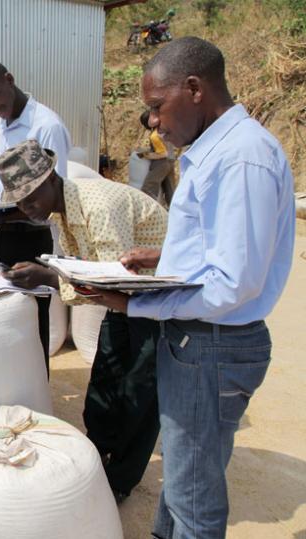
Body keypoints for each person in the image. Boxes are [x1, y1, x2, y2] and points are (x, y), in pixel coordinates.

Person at [89, 37, 295, 538]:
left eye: (157, 107)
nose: (154, 123)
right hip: (200, 343)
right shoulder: (217, 150)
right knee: (183, 487)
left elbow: (234, 283)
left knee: (194, 500)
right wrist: (164, 256)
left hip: (212, 344)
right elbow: (225, 247)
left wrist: (137, 304)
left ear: (196, 88)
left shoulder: (241, 158)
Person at [0, 139, 168, 503]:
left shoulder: (98, 205)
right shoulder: (64, 210)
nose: (28, 209)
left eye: (31, 199)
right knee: (106, 375)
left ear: (51, 179)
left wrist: (47, 279)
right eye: (21, 203)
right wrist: (52, 275)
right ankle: (97, 454)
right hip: (124, 300)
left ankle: (119, 481)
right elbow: (91, 276)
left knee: (140, 390)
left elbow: (113, 281)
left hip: (154, 299)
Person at [0, 60, 73, 370]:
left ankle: (38, 386)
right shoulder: (5, 123)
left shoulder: (46, 126)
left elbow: (54, 196)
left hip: (32, 235)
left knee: (33, 317)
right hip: (3, 233)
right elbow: (6, 190)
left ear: (10, 80)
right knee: (5, 313)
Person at [135, 109, 175, 205]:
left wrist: (146, 155)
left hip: (161, 164)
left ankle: (148, 212)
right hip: (171, 163)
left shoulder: (154, 136)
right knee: (171, 193)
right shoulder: (164, 130)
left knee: (148, 188)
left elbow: (162, 153)